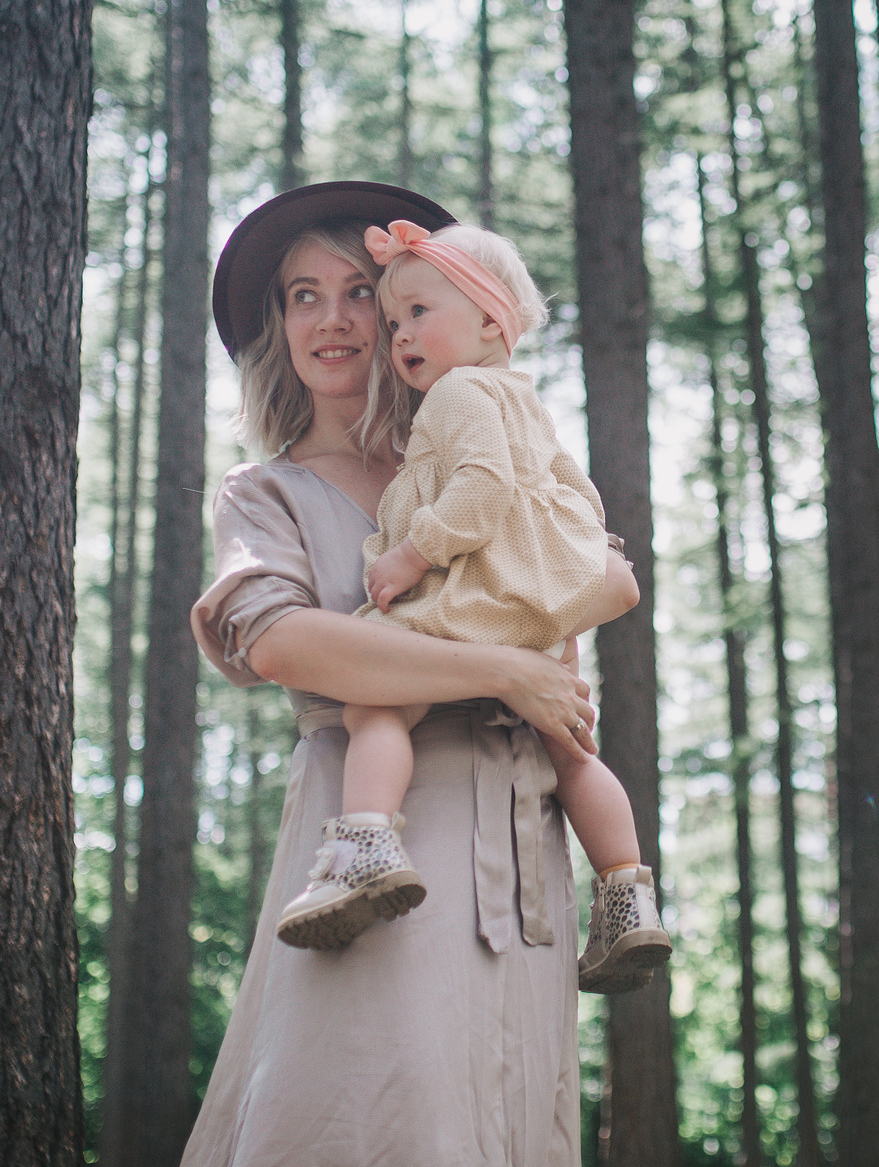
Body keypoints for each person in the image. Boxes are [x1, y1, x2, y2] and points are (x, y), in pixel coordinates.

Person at [56, 182, 631, 1167]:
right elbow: (284, 640)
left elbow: (605, 573)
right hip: (370, 855)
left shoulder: (488, 454)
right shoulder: (270, 490)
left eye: (357, 290)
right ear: (274, 332)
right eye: (298, 296)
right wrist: (501, 658)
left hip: (518, 850)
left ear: (420, 310)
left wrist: (538, 627)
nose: (332, 317)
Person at [270, 217, 670, 995]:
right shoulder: (524, 399)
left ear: (491, 320)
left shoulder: (455, 395)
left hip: (476, 598)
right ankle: (627, 891)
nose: (399, 335)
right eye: (393, 323)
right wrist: (570, 569)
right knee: (573, 748)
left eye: (418, 312)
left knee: (375, 701)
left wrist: (411, 552)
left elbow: (481, 490)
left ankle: (366, 847)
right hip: (535, 602)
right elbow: (577, 494)